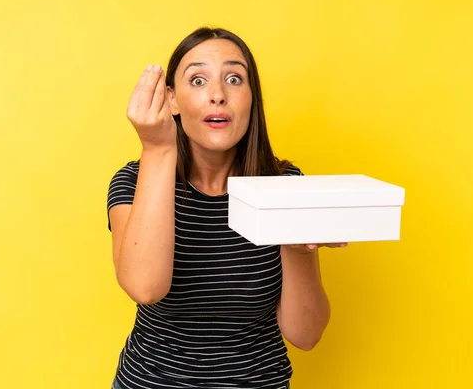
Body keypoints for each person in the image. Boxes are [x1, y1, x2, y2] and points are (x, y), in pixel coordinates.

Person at [106, 27, 347, 389]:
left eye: (234, 79)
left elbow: (306, 334)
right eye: (198, 80)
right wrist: (158, 150)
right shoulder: (133, 182)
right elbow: (145, 288)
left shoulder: (285, 186)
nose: (218, 95)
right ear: (171, 100)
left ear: (252, 98)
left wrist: (296, 247)